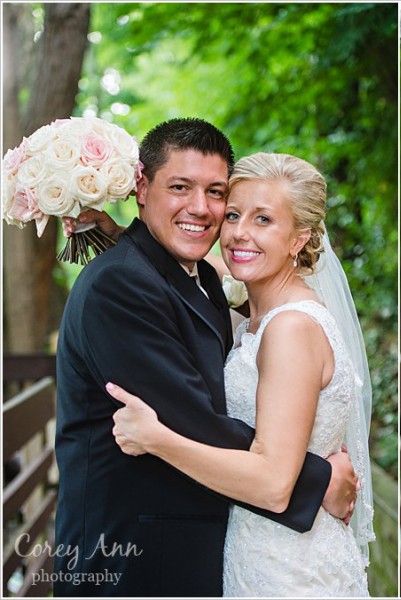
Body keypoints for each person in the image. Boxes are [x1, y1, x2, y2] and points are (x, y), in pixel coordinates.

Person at [54, 119, 357, 596]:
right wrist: (318, 480)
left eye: (216, 194)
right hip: (133, 560)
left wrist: (127, 237)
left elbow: (196, 288)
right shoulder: (118, 285)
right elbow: (194, 419)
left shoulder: (204, 281)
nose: (203, 209)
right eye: (179, 187)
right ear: (142, 187)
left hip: (235, 552)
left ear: (299, 238)